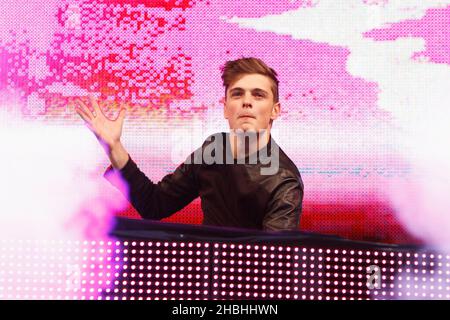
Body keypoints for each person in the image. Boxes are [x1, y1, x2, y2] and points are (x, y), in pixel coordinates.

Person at [75, 57, 304, 231]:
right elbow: (155, 205)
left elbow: (273, 265)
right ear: (225, 108)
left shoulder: (284, 181)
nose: (246, 102)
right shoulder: (214, 149)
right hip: (205, 282)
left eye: (258, 95)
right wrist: (114, 147)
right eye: (237, 94)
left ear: (275, 110)